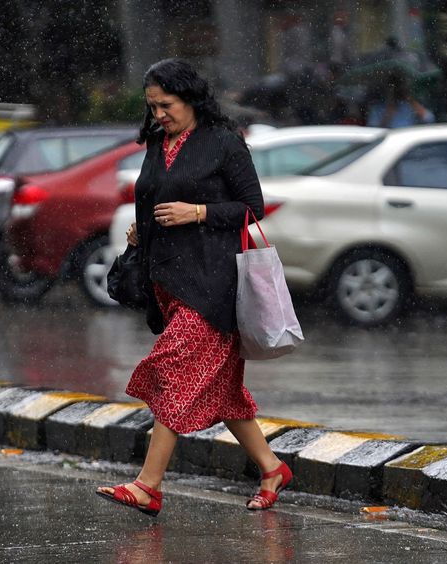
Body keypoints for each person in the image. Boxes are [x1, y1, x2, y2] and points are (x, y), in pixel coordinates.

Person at [96, 59, 292, 516]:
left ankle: (148, 485)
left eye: (166, 105)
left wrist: (197, 212)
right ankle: (271, 468)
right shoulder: (157, 145)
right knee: (222, 393)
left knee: (177, 371)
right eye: (152, 107)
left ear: (190, 99)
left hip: (214, 282)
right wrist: (140, 235)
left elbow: (253, 207)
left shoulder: (224, 143)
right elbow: (151, 199)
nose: (158, 114)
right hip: (170, 279)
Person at [366, 70, 434, 128]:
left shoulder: (408, 106)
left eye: (398, 89)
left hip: (409, 140)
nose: (395, 93)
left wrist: (410, 100)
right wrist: (388, 113)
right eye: (392, 90)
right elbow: (373, 130)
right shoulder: (377, 109)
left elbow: (429, 119)